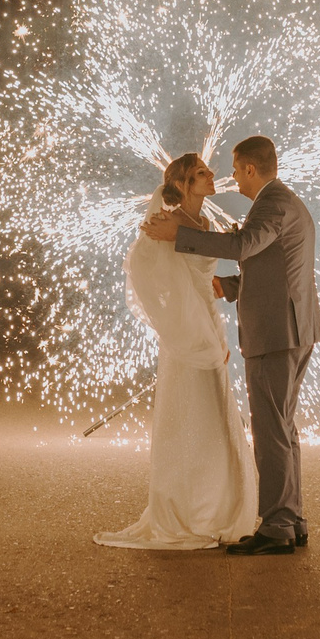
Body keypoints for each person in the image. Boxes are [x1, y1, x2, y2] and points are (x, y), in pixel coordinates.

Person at [142, 134, 320, 555]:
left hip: (276, 333)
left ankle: (279, 525)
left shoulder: (272, 203)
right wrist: (227, 286)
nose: (230, 177)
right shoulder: (282, 202)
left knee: (270, 432)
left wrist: (179, 234)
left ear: (250, 168)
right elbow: (271, 266)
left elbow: (244, 246)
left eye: (234, 168)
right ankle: (293, 518)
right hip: (290, 329)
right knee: (282, 428)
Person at [94, 154, 259, 550]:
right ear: (184, 184)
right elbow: (145, 269)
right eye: (201, 173)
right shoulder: (167, 224)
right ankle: (187, 510)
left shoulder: (201, 223)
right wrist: (182, 330)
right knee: (192, 418)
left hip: (207, 332)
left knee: (214, 419)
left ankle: (215, 506)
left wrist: (215, 329)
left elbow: (201, 281)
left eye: (207, 170)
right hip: (188, 340)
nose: (211, 175)